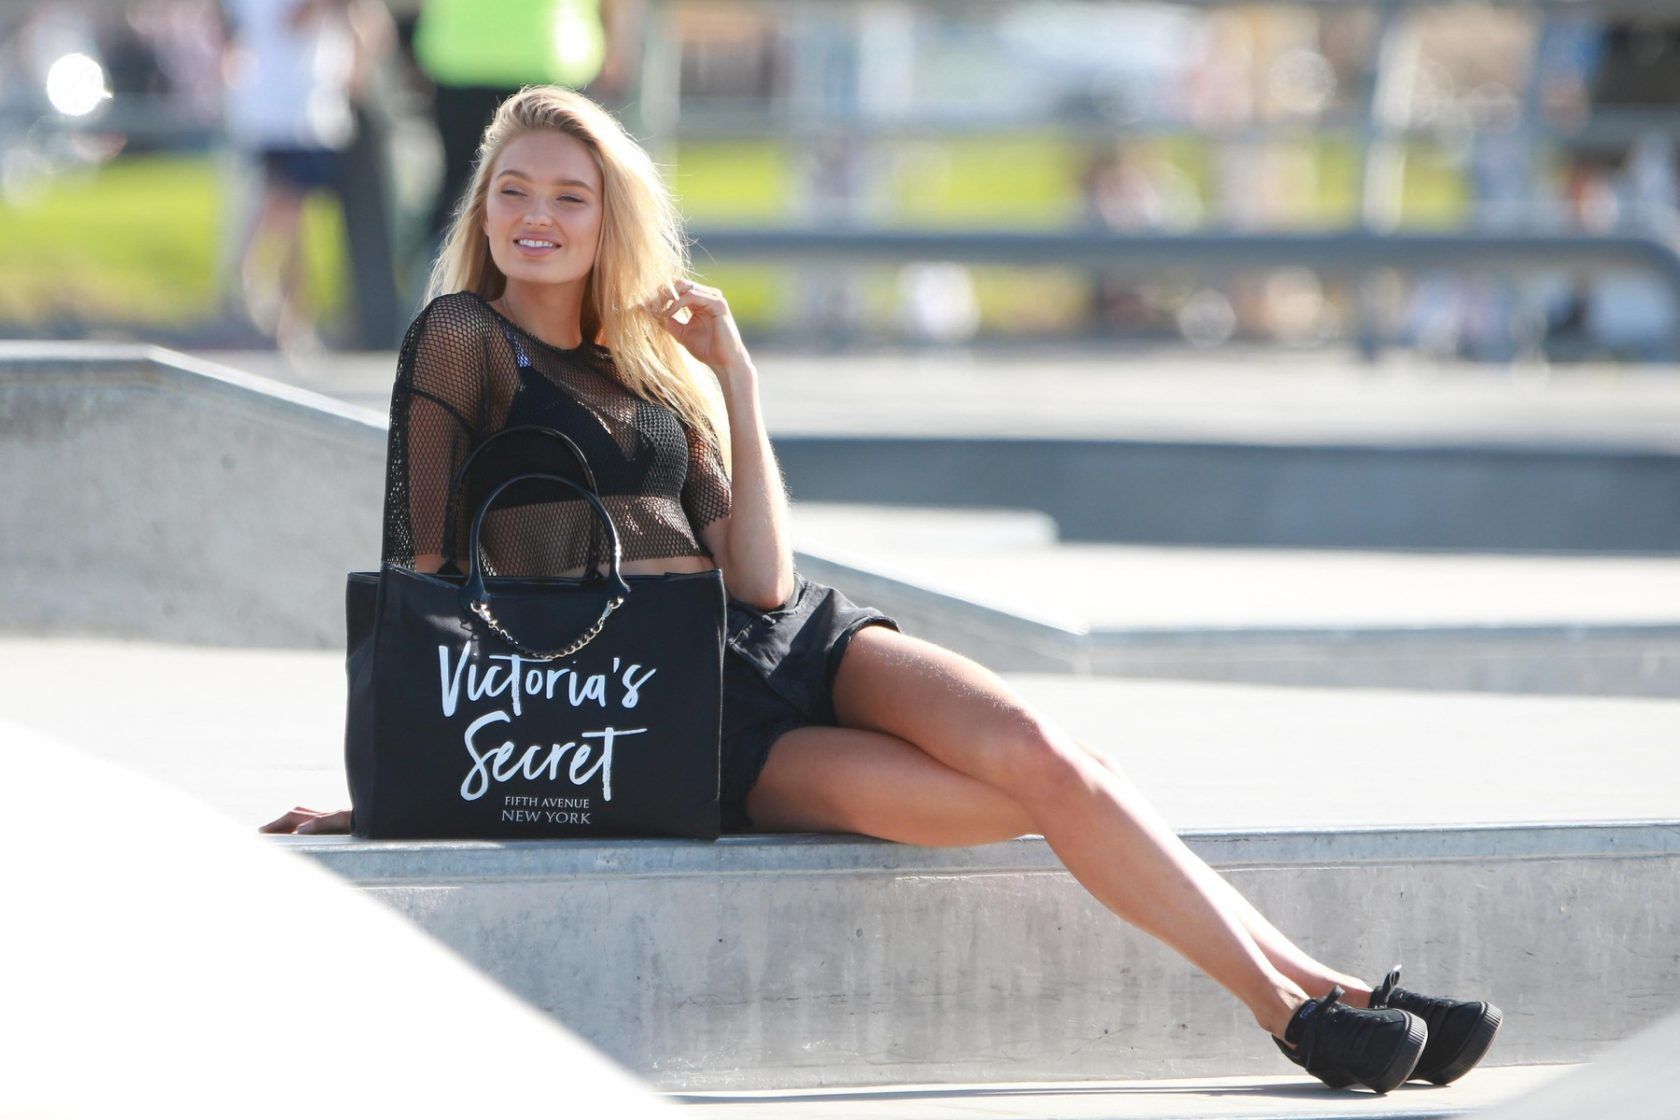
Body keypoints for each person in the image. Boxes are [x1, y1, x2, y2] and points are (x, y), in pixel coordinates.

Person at [260, 84, 1502, 1095]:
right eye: (514, 190)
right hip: (672, 719)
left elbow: (763, 575)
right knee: (1029, 796)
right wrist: (405, 779)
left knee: (1054, 757)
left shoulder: (648, 367)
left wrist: (735, 380)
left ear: (608, 219)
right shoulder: (462, 338)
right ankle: (1318, 1005)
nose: (537, 215)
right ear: (483, 206)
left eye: (568, 196)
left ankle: (1316, 1000)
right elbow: (422, 572)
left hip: (787, 638)